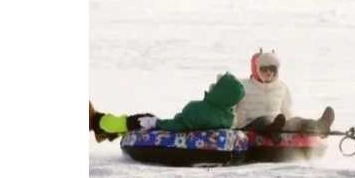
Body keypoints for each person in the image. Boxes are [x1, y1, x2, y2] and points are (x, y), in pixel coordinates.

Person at [88, 72, 246, 141]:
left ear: (221, 94)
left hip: (171, 132)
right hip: (190, 134)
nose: (212, 86)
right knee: (141, 121)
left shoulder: (198, 109)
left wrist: (156, 123)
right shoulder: (228, 116)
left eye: (215, 86)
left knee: (140, 119)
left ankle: (97, 122)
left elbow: (178, 125)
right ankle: (107, 133)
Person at [234, 49, 335, 137]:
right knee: (263, 120)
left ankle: (320, 126)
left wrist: (292, 126)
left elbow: (287, 111)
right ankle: (273, 128)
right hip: (249, 125)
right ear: (256, 68)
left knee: (297, 121)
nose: (268, 72)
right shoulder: (243, 86)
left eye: (272, 69)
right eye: (264, 69)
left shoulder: (281, 87)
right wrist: (234, 127)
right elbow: (232, 109)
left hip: (277, 124)